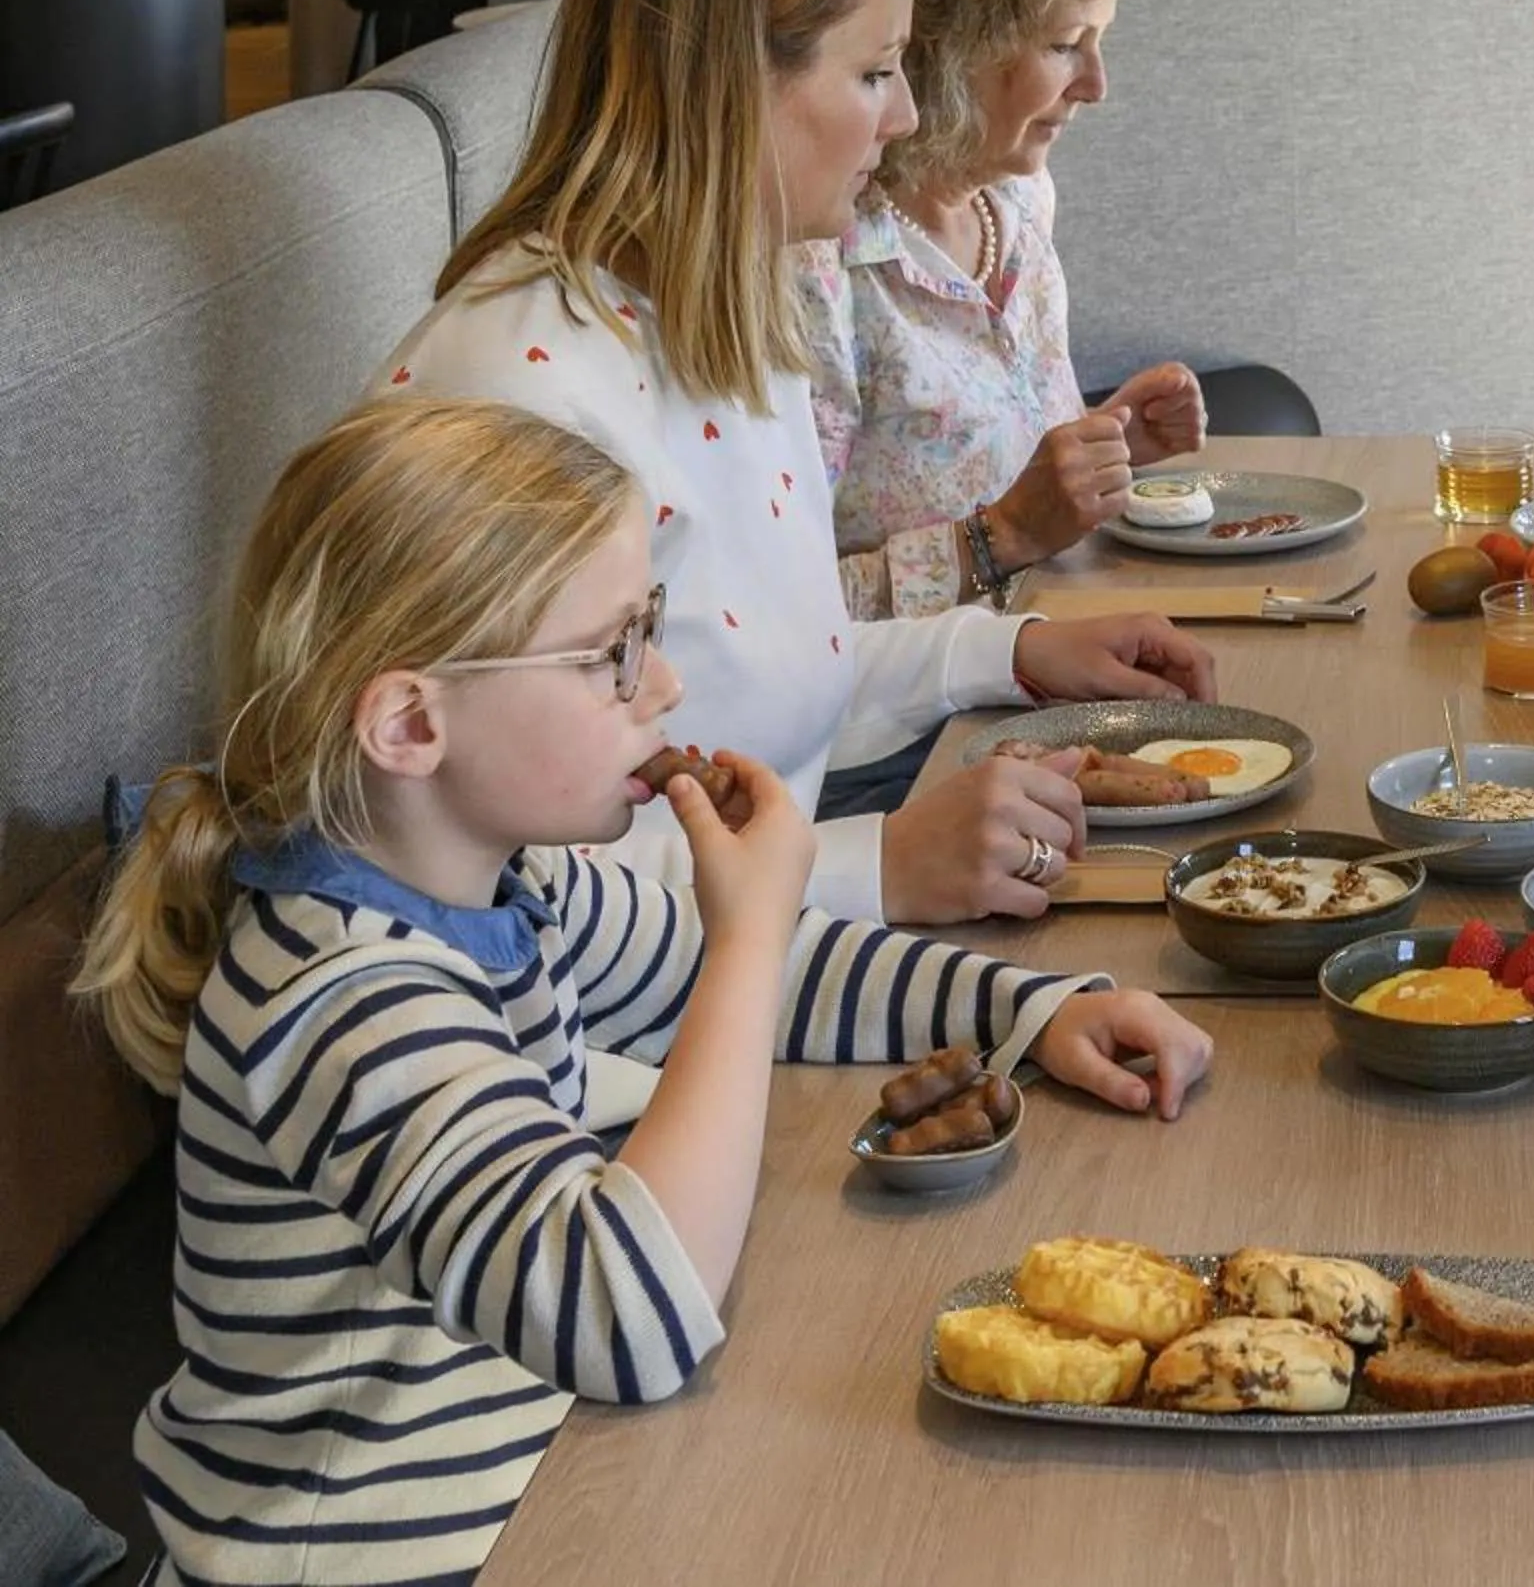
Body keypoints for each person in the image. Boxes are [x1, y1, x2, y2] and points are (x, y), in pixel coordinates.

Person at [74, 396, 1215, 1587]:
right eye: (608, 653)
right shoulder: (343, 1000)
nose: (662, 684)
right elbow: (627, 1311)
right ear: (411, 723)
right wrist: (746, 938)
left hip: (550, 1480)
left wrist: (1031, 1011)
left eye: (649, 628)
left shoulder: (511, 880)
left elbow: (782, 974)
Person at [384, 0, 1211, 928]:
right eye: (873, 73)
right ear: (730, 85)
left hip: (766, 949)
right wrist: (878, 865)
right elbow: (501, 879)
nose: (906, 116)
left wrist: (1009, 650)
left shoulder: (732, 315)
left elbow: (772, 683)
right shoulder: (520, 392)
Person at [798, 0, 1206, 621]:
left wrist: (1107, 444)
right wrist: (1007, 534)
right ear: (952, 50)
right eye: (1065, 46)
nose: (1096, 85)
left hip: (1064, 638)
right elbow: (786, 619)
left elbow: (992, 464)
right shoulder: (821, 268)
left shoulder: (1018, 199)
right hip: (939, 692)